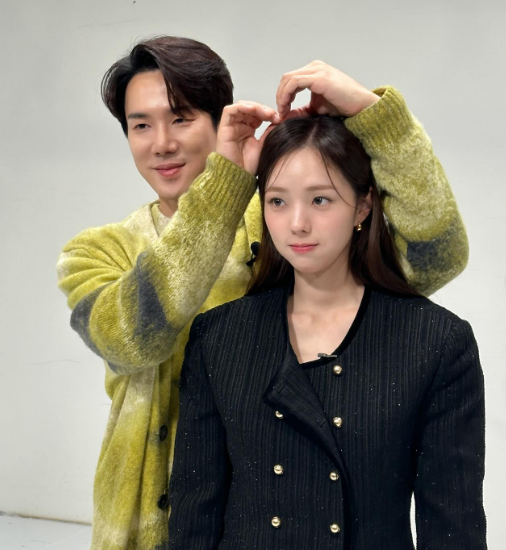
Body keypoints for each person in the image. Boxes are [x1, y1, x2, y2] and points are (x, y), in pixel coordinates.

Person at [56, 36, 469, 550]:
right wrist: (223, 189)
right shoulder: (93, 253)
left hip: (277, 510)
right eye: (140, 125)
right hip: (144, 521)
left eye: (181, 118)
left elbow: (433, 257)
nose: (161, 143)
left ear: (220, 122)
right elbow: (132, 339)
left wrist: (373, 115)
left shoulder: (284, 224)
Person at [168, 115, 486, 549]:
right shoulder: (219, 338)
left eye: (320, 200)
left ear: (363, 206)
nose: (297, 223)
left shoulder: (434, 342)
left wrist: (375, 112)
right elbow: (194, 517)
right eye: (277, 201)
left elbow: (453, 526)